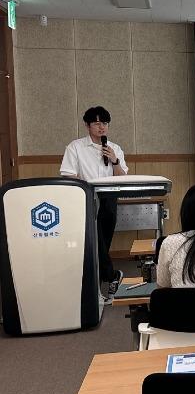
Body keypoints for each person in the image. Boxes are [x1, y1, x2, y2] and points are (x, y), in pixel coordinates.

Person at [60, 106, 128, 299]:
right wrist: (86, 187)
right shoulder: (75, 147)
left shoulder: (115, 148)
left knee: (102, 241)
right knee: (95, 238)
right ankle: (111, 276)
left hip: (109, 197)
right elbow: (67, 174)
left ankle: (101, 279)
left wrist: (115, 161)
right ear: (87, 125)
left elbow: (122, 177)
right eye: (97, 123)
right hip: (86, 197)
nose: (101, 127)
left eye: (105, 123)